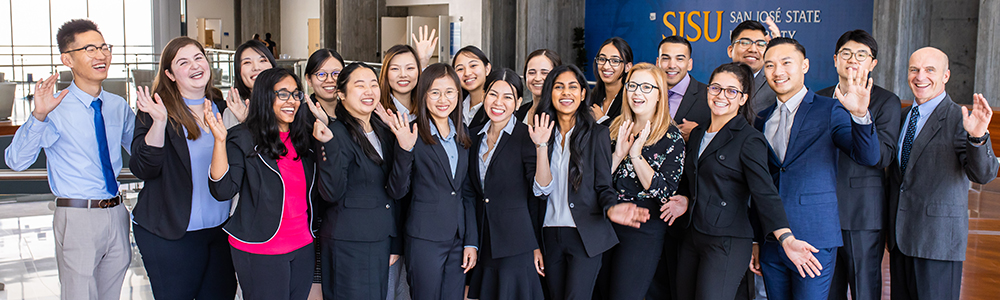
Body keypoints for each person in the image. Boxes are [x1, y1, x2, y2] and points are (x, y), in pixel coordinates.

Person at [4, 19, 134, 300]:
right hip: (78, 217)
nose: (101, 55)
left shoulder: (117, 105)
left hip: (117, 212)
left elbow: (142, 151)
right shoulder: (54, 107)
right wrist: (38, 116)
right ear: (67, 59)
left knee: (111, 293)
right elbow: (16, 161)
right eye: (90, 49)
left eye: (104, 47)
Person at [671, 62, 821, 300]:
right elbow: (696, 181)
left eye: (732, 91)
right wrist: (685, 198)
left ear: (743, 99)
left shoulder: (749, 139)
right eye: (716, 88)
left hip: (726, 241)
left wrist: (786, 238)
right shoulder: (698, 133)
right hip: (692, 234)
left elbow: (764, 193)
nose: (721, 96)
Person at [754, 37, 880, 300]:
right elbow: (759, 185)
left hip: (814, 237)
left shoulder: (830, 108)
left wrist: (859, 115)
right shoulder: (761, 119)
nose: (778, 72)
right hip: (772, 239)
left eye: (786, 63)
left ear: (805, 65)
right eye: (770, 65)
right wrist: (757, 238)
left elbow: (867, 156)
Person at [529, 64, 651, 300]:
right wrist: (541, 145)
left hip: (586, 235)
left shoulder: (598, 134)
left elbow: (603, 186)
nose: (566, 93)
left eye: (573, 87)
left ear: (583, 93)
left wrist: (612, 208)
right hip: (549, 235)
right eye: (558, 87)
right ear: (549, 93)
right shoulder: (538, 133)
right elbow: (539, 192)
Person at [887, 47, 999, 300]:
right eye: (914, 69)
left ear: (946, 76)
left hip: (937, 244)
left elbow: (983, 174)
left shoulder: (960, 119)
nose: (920, 76)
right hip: (899, 242)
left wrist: (978, 136)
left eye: (929, 70)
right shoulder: (902, 116)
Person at [129, 36, 237, 299]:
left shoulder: (222, 107)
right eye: (183, 62)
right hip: (171, 233)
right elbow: (144, 168)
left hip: (220, 231)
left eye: (198, 58)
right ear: (170, 74)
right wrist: (158, 123)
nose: (195, 65)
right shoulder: (156, 110)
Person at [206, 68, 318, 300]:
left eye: (296, 94)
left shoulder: (305, 138)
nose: (292, 101)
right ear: (265, 97)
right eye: (283, 94)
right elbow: (223, 189)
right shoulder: (243, 137)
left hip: (303, 245)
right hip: (260, 247)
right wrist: (219, 141)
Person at [814, 30, 901, 300]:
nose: (853, 60)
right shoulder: (818, 99)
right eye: (846, 54)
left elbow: (882, 157)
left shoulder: (887, 102)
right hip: (821, 214)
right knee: (826, 291)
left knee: (865, 289)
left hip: (862, 214)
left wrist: (860, 114)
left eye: (862, 55)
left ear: (872, 63)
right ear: (835, 60)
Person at [384, 63, 477, 300]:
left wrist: (471, 242)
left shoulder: (462, 135)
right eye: (435, 92)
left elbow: (466, 193)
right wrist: (404, 149)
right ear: (423, 95)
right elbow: (397, 191)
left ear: (458, 94)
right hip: (425, 238)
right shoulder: (411, 133)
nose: (442, 99)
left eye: (449, 92)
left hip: (458, 238)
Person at [596, 63, 685, 300]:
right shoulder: (610, 128)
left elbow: (665, 192)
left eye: (646, 87)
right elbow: (595, 180)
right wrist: (617, 156)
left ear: (659, 94)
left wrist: (635, 156)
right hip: (606, 219)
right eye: (633, 86)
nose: (637, 92)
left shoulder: (671, 136)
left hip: (643, 226)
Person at [316, 62, 403, 300]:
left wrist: (404, 147)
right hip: (349, 241)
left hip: (379, 239)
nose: (369, 91)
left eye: (373, 84)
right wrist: (329, 144)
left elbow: (395, 190)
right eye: (360, 85)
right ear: (341, 94)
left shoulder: (382, 131)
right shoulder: (335, 133)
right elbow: (331, 192)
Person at [466, 68, 546, 300]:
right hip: (482, 242)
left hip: (514, 243)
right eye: (493, 94)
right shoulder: (472, 136)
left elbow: (540, 190)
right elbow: (469, 193)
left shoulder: (526, 136)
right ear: (484, 95)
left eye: (508, 96)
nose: (498, 102)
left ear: (518, 102)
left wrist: (541, 147)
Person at [656, 36, 711, 140]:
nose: (672, 65)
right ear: (657, 62)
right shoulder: (645, 93)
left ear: (689, 64)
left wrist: (698, 133)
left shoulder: (708, 96)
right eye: (666, 58)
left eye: (679, 59)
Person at [727, 18, 781, 116]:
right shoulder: (720, 80)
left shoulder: (776, 84)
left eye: (760, 44)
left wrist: (779, 50)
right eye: (745, 43)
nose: (753, 49)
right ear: (730, 51)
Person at [224, 40, 277, 128]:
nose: (256, 68)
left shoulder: (287, 102)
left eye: (263, 60)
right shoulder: (233, 112)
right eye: (247, 62)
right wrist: (245, 122)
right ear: (238, 73)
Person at [591, 37, 633, 126]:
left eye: (615, 61)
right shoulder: (592, 97)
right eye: (602, 59)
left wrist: (602, 120)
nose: (606, 66)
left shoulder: (631, 100)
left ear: (628, 67)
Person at [516, 49, 562, 124]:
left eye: (544, 73)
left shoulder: (562, 115)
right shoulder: (520, 112)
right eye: (532, 72)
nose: (537, 78)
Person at [379, 45, 422, 122]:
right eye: (395, 68)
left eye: (410, 68)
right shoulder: (378, 113)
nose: (403, 75)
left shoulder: (425, 108)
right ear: (386, 73)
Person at [453, 46, 493, 128]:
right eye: (460, 69)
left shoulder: (496, 106)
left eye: (473, 65)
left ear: (487, 69)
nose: (467, 73)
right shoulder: (453, 105)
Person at [305, 48, 345, 117]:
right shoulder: (299, 115)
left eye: (336, 74)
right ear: (309, 80)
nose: (330, 80)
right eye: (321, 74)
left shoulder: (352, 112)